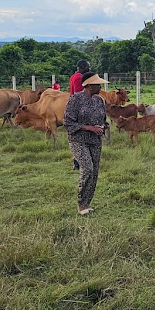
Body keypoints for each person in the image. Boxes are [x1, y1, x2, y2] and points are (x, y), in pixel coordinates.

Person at [63, 72, 109, 215]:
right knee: (87, 168)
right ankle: (80, 204)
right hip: (78, 140)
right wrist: (89, 128)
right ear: (89, 86)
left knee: (94, 172)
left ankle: (86, 204)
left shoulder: (99, 101)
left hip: (95, 141)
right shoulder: (75, 99)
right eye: (97, 84)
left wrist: (102, 126)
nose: (100, 87)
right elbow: (68, 122)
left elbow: (103, 119)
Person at [69, 59, 92, 170]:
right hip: (79, 109)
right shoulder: (78, 78)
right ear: (82, 67)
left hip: (76, 108)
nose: (89, 69)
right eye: (88, 67)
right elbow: (79, 95)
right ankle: (78, 163)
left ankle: (77, 162)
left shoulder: (74, 76)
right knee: (81, 137)